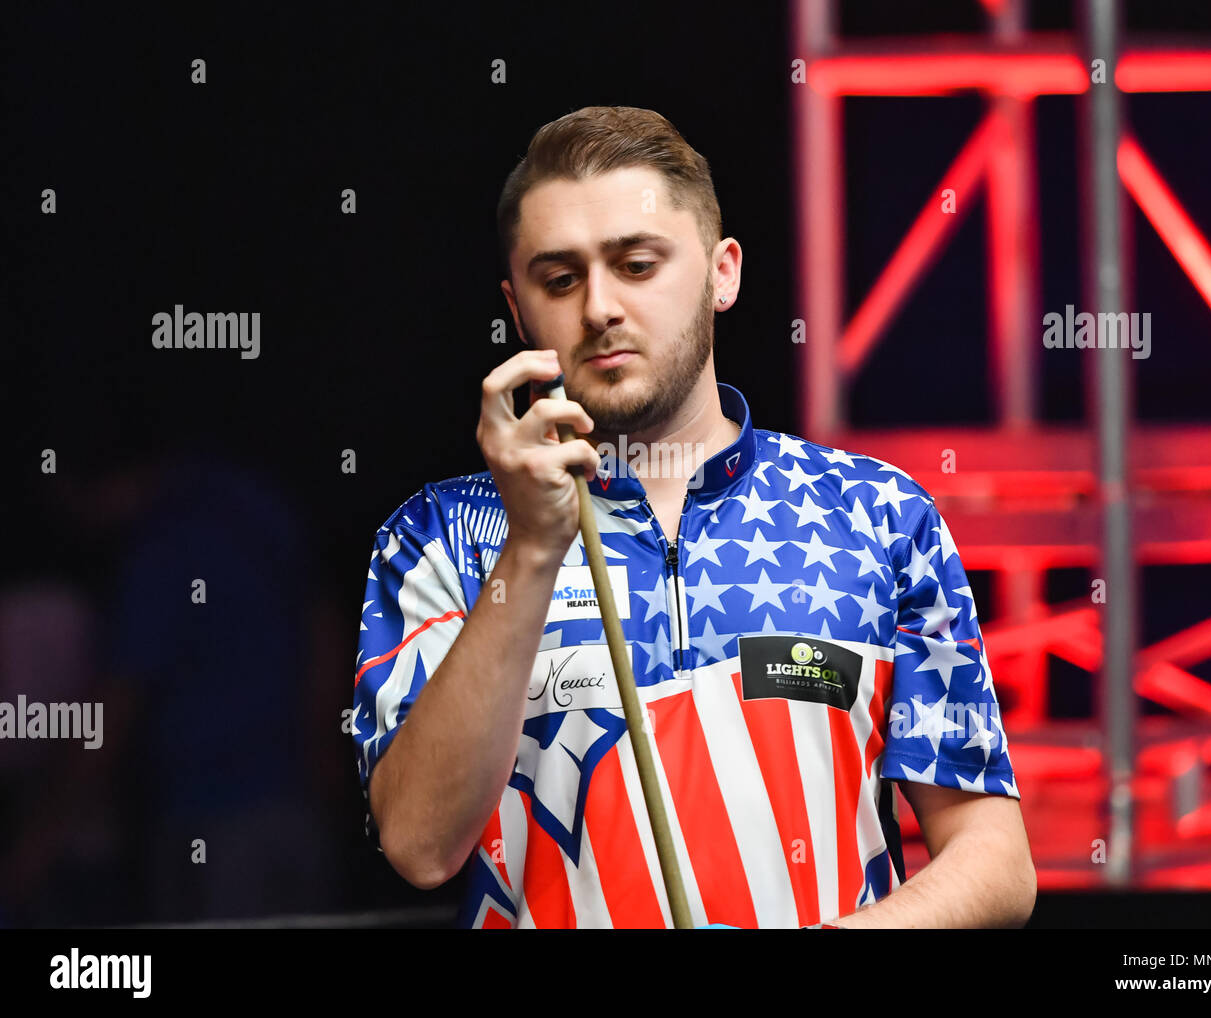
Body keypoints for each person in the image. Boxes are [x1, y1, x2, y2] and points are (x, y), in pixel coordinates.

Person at [351, 106, 1036, 929]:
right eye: (560, 279)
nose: (599, 306)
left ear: (723, 274)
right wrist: (533, 547)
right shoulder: (440, 537)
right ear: (517, 307)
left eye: (637, 264)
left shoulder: (876, 514)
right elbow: (421, 846)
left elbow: (993, 856)